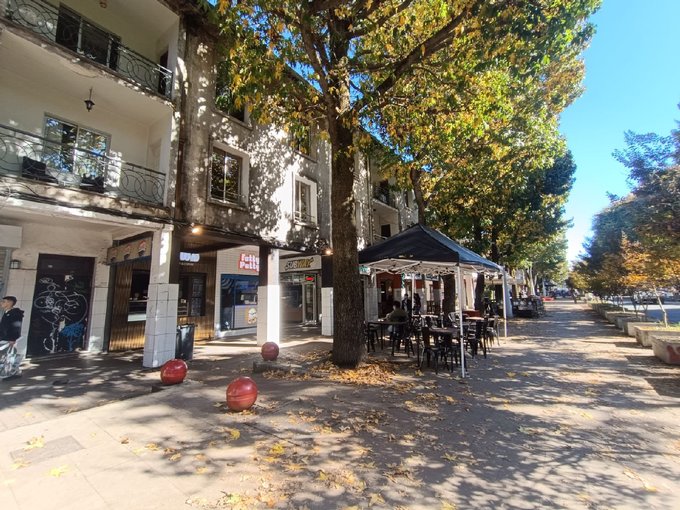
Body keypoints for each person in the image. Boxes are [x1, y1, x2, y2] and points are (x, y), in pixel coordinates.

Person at [1, 296, 24, 380]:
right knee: (8, 356)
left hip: (10, 339)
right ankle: (15, 372)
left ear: (10, 303)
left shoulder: (15, 313)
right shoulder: (7, 312)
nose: (1, 303)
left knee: (9, 356)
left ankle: (11, 373)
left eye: (4, 301)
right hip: (5, 338)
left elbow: (16, 326)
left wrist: (13, 339)